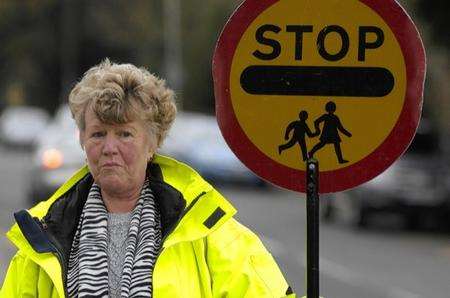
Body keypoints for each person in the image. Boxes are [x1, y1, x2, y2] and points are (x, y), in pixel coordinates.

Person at [0, 59, 294, 297]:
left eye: (125, 134)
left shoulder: (211, 233)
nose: (109, 148)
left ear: (153, 143)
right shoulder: (41, 238)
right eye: (98, 134)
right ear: (83, 141)